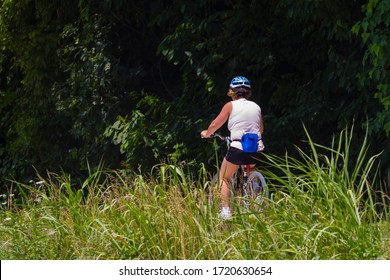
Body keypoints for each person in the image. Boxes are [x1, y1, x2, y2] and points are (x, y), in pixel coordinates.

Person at [200, 76, 264, 219]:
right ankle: (255, 197)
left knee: (224, 177)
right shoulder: (256, 106)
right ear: (248, 92)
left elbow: (216, 124)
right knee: (249, 167)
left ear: (232, 92)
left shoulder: (230, 105)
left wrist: (207, 133)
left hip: (238, 147)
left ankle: (226, 211)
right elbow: (261, 129)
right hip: (256, 147)